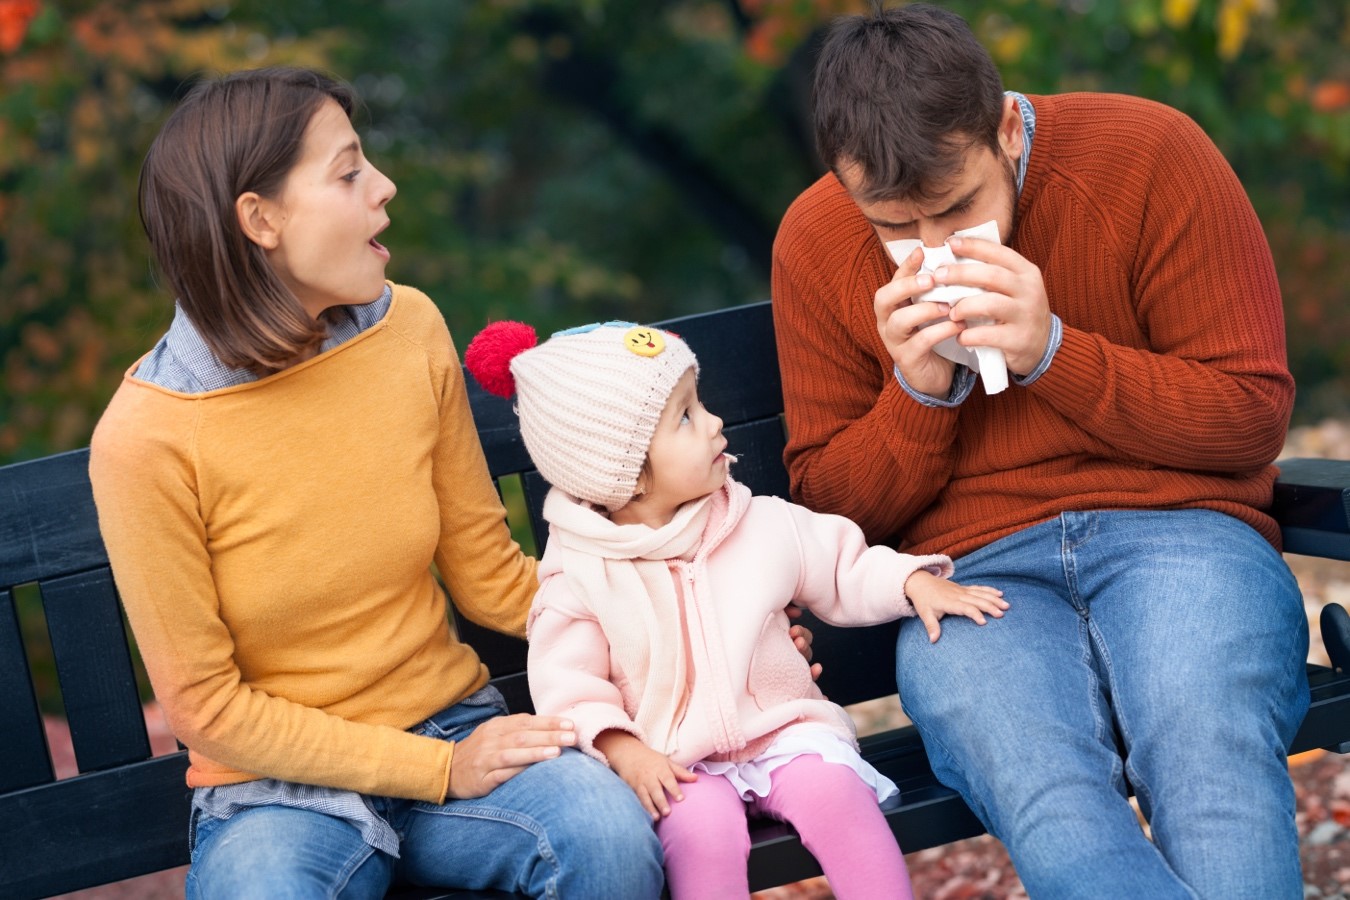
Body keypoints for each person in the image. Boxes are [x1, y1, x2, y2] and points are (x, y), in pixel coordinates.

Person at [87, 66, 666, 899]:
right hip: (274, 798)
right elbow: (208, 709)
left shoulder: (410, 329)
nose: (385, 188)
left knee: (607, 838)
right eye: (350, 171)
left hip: (456, 722)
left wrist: (692, 621)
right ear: (261, 219)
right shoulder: (148, 438)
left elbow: (490, 574)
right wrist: (437, 768)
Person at [770, 4, 1310, 898]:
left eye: (955, 210)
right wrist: (917, 393)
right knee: (1045, 791)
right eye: (893, 227)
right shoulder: (816, 239)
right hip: (967, 574)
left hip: (1182, 532)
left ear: (1009, 128)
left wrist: (1054, 352)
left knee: (1204, 736)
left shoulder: (1148, 155)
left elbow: (1250, 415)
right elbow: (832, 511)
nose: (930, 250)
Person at [462, 319, 1008, 899]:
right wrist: (624, 750)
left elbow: (841, 564)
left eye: (700, 403)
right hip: (670, 760)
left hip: (780, 731)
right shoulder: (580, 575)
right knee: (699, 833)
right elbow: (567, 684)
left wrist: (911, 582)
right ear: (626, 475)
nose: (714, 421)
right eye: (686, 417)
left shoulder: (756, 521)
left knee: (838, 796)